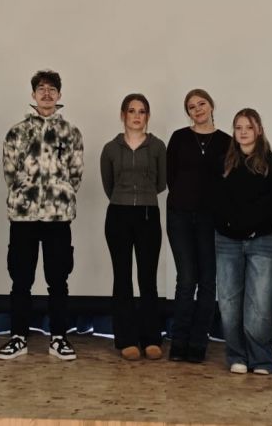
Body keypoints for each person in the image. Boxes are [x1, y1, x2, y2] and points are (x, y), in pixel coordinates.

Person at [0, 70, 83, 361]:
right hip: (24, 216)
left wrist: (60, 193)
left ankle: (58, 337)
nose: (47, 94)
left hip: (58, 217)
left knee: (58, 280)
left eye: (52, 89)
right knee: (21, 280)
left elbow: (76, 174)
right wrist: (27, 194)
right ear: (33, 94)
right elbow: (10, 173)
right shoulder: (17, 132)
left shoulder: (71, 132)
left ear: (59, 95)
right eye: (41, 89)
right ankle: (18, 337)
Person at [214, 108, 272, 375]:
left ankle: (262, 359)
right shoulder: (223, 163)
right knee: (229, 302)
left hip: (263, 241)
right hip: (227, 241)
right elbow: (216, 202)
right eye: (238, 127)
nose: (243, 132)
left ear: (259, 130)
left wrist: (256, 229)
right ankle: (237, 356)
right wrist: (228, 226)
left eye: (249, 127)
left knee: (261, 302)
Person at [100, 94, 167, 361]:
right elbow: (109, 184)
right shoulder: (110, 148)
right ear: (123, 115)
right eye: (131, 111)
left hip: (148, 215)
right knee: (122, 277)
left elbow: (161, 183)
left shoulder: (157, 146)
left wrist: (142, 197)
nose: (137, 116)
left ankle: (151, 338)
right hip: (118, 214)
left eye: (142, 111)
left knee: (148, 278)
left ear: (147, 116)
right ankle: (126, 339)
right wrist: (125, 198)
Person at [166, 89, 230, 363]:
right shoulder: (179, 137)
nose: (198, 109)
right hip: (179, 216)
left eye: (201, 103)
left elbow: (228, 180)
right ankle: (178, 341)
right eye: (191, 107)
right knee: (186, 279)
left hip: (210, 219)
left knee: (207, 281)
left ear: (211, 105)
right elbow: (170, 176)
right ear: (188, 113)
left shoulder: (227, 141)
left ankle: (198, 343)